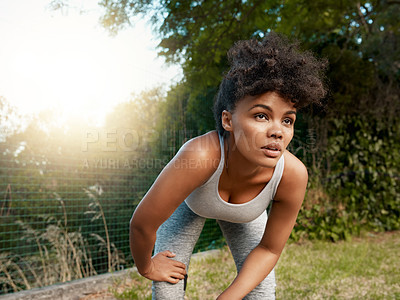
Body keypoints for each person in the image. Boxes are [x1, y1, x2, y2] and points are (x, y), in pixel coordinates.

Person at [129, 32, 327, 299]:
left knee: (261, 294)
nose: (277, 131)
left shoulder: (292, 175)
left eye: (287, 120)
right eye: (261, 115)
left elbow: (269, 250)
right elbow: (142, 224)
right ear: (228, 120)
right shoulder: (199, 156)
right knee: (167, 292)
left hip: (249, 216)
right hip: (192, 204)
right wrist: (147, 266)